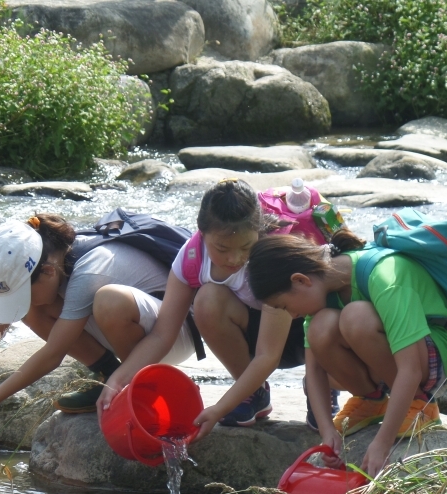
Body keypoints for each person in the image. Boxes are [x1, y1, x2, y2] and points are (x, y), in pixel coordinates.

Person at [99, 179, 334, 438]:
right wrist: (117, 380)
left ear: (259, 231)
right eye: (221, 248)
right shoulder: (191, 260)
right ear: (201, 232)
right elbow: (161, 335)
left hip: (304, 336)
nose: (234, 259)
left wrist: (222, 406)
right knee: (207, 299)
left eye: (246, 247)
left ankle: (322, 384)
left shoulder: (273, 255)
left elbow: (269, 355)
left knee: (325, 328)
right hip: (254, 337)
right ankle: (254, 394)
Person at [0, 216, 197, 429]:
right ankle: (109, 376)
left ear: (48, 272)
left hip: (171, 334)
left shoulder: (89, 269)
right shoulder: (50, 259)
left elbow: (53, 355)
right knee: (30, 309)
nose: (21, 299)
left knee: (109, 301)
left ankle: (137, 385)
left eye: (21, 290)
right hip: (139, 326)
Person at [246, 233, 447, 477]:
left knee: (356, 318)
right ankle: (371, 401)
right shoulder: (322, 292)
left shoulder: (384, 275)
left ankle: (421, 404)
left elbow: (411, 369)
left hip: (439, 354)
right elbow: (315, 371)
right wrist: (326, 433)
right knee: (321, 328)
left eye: (285, 306)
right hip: (402, 361)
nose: (292, 314)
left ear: (300, 281)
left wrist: (382, 443)